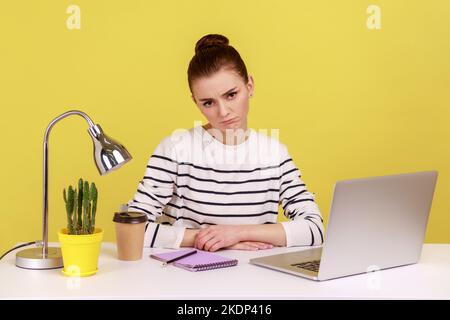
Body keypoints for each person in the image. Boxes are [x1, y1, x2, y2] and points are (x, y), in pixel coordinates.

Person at [124, 34, 324, 252]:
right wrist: (210, 239)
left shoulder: (273, 153)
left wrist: (238, 232)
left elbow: (314, 229)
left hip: (258, 277)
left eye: (231, 95)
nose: (223, 112)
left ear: (250, 86)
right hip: (189, 277)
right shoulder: (175, 149)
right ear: (196, 103)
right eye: (208, 102)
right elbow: (131, 229)